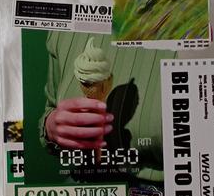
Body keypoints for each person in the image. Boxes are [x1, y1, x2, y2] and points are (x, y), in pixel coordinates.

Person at [40, 32, 175, 184]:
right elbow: (51, 109)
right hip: (84, 182)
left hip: (164, 187)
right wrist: (51, 126)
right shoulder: (63, 31)